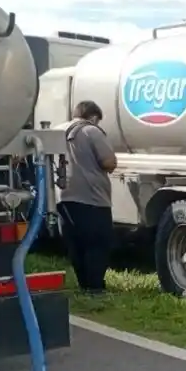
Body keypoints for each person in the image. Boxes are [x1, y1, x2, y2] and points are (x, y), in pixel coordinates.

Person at [57, 100, 117, 295]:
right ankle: (95, 287)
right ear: (93, 117)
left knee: (76, 244)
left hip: (63, 198)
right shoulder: (92, 131)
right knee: (97, 243)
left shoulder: (57, 131)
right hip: (92, 199)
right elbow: (108, 162)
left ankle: (84, 285)